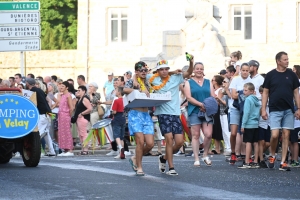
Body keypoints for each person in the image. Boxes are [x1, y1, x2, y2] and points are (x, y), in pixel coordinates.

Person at [148, 57, 193, 176]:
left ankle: (164, 157)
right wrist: (170, 71)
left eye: (166, 69)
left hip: (175, 112)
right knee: (169, 139)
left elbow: (188, 73)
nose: (164, 71)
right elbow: (142, 75)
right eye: (161, 69)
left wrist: (191, 62)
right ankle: (171, 167)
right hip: (163, 113)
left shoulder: (176, 78)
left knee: (179, 142)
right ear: (158, 71)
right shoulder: (154, 79)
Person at [262, 52, 300, 171]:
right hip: (274, 109)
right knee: (274, 135)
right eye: (284, 59)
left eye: (287, 59)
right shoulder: (270, 75)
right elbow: (265, 92)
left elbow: (296, 92)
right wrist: (263, 109)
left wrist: (299, 108)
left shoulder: (292, 75)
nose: (287, 61)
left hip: (288, 109)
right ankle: (272, 155)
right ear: (278, 61)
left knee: (286, 135)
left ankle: (283, 162)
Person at [124, 61, 155, 176]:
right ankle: (139, 166)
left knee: (150, 144)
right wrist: (138, 90)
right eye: (141, 70)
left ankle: (135, 158)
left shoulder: (147, 81)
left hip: (146, 115)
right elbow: (125, 90)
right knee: (140, 141)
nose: (143, 72)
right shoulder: (132, 82)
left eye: (145, 70)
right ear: (136, 71)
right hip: (135, 114)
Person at [184, 62, 214, 167]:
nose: (199, 70)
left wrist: (207, 105)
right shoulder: (189, 82)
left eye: (201, 68)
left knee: (208, 134)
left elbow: (212, 96)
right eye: (197, 68)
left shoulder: (208, 82)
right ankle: (196, 158)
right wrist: (200, 104)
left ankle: (205, 154)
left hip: (207, 111)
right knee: (195, 135)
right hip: (194, 110)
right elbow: (188, 97)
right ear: (194, 70)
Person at [25, 78, 56, 156]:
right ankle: (52, 151)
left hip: (41, 115)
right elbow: (48, 100)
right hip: (47, 114)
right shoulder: (40, 90)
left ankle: (35, 152)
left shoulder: (32, 92)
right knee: (46, 134)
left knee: (37, 135)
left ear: (28, 83)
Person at [229, 63, 251, 164]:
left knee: (245, 132)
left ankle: (245, 154)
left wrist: (240, 93)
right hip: (235, 108)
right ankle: (233, 152)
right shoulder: (236, 79)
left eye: (247, 70)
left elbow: (252, 94)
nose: (245, 72)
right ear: (240, 70)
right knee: (233, 133)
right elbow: (233, 95)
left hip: (247, 109)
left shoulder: (251, 80)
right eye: (243, 70)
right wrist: (245, 93)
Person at [238, 83, 260, 169]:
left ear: (251, 91)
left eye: (246, 90)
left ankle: (247, 161)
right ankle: (255, 162)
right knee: (255, 143)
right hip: (255, 123)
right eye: (244, 90)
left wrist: (243, 124)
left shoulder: (248, 100)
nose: (244, 92)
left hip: (249, 124)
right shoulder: (257, 100)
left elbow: (246, 113)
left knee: (248, 142)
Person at [57, 81, 74, 156]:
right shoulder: (62, 95)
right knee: (62, 132)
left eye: (63, 86)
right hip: (61, 115)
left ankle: (70, 149)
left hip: (66, 115)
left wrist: (68, 116)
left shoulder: (68, 95)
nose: (61, 87)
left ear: (67, 87)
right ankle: (65, 149)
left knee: (67, 132)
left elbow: (71, 107)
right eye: (60, 86)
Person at [74, 86, 92, 155]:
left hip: (83, 118)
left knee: (83, 134)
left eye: (79, 90)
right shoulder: (80, 99)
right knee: (80, 134)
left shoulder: (84, 98)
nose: (78, 92)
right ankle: (83, 148)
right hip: (79, 118)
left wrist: (82, 113)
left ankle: (85, 149)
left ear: (84, 91)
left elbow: (89, 108)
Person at [111, 87, 126, 159]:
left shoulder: (116, 101)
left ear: (119, 92)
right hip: (123, 117)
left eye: (116, 90)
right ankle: (122, 153)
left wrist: (112, 113)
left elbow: (114, 111)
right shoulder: (125, 100)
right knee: (122, 137)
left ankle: (120, 148)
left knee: (116, 135)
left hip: (117, 117)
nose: (115, 92)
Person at [211, 75, 224, 154]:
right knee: (214, 129)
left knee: (217, 128)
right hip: (213, 110)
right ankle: (217, 147)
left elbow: (219, 101)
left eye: (213, 80)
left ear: (216, 81)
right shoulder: (213, 90)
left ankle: (218, 148)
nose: (211, 81)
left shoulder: (220, 90)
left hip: (217, 110)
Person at [290, 65, 300, 167]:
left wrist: (297, 109)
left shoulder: (297, 85)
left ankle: (295, 159)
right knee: (291, 140)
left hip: (296, 117)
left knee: (294, 140)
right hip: (292, 116)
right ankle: (293, 158)